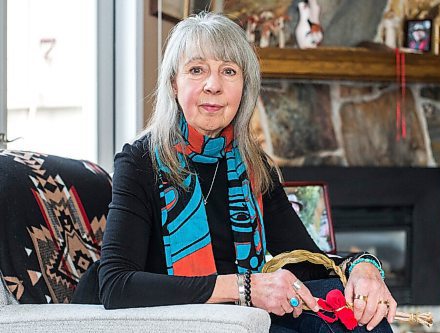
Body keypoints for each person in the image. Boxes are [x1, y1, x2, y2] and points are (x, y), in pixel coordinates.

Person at [88, 12, 396, 333]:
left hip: (248, 319)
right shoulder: (140, 160)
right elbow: (116, 284)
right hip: (181, 321)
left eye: (228, 71)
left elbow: (309, 265)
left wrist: (363, 269)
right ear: (173, 84)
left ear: (244, 88)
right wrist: (245, 287)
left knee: (358, 315)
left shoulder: (253, 165)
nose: (213, 85)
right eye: (196, 70)